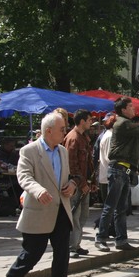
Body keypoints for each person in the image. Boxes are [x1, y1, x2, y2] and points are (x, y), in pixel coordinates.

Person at [4, 111, 77, 277]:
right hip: (39, 209)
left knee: (62, 257)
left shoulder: (62, 151)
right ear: (48, 131)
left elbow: (68, 177)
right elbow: (24, 176)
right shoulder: (29, 151)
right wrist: (38, 190)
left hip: (61, 210)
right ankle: (14, 276)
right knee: (33, 253)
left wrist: (72, 185)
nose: (65, 132)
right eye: (62, 129)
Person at [96, 97, 139, 251]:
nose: (134, 109)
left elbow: (138, 143)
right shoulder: (123, 123)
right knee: (111, 206)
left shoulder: (125, 125)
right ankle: (100, 238)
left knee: (121, 207)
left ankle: (121, 240)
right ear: (123, 110)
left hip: (124, 170)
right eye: (131, 106)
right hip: (118, 170)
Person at [63, 109, 94, 258]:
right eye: (89, 120)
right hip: (76, 185)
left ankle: (76, 244)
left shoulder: (83, 137)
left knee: (83, 215)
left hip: (84, 184)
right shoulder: (73, 138)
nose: (91, 122)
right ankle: (71, 246)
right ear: (82, 121)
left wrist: (91, 181)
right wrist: (81, 183)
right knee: (74, 216)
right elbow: (71, 165)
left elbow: (88, 162)